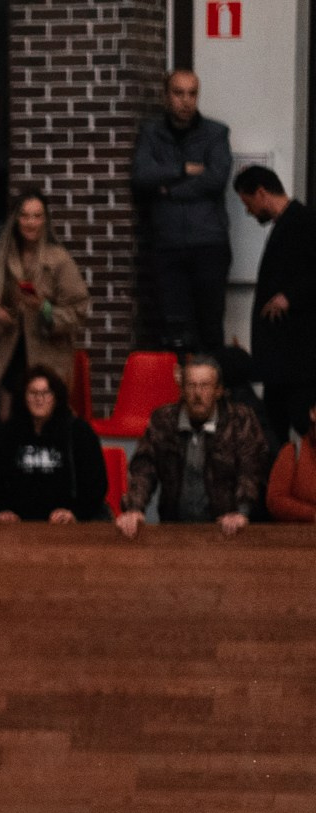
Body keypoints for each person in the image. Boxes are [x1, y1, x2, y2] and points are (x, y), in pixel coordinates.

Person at [0, 191, 90, 436]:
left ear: (46, 220)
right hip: (7, 347)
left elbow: (78, 309)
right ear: (15, 219)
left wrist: (44, 308)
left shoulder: (58, 259)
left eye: (37, 216)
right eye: (25, 216)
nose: (31, 223)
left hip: (46, 351)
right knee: (1, 418)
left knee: (44, 419)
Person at [131, 70, 232, 352]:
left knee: (210, 327)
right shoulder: (152, 132)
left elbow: (216, 179)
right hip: (168, 244)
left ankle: (212, 392)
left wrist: (170, 190)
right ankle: (180, 395)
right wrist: (183, 169)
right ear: (166, 96)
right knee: (174, 329)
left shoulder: (216, 133)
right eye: (178, 93)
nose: (186, 101)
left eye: (192, 93)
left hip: (209, 242)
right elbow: (141, 176)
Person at [115, 356, 267, 539]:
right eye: (191, 385)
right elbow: (144, 467)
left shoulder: (239, 420)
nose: (197, 394)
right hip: (174, 529)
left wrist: (241, 511)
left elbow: (251, 469)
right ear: (182, 389)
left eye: (204, 386)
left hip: (227, 528)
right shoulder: (164, 420)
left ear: (218, 390)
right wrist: (134, 508)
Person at [234, 166, 316, 445]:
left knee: (301, 423)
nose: (249, 212)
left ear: (261, 193)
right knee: (274, 427)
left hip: (297, 359)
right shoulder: (289, 223)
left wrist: (291, 296)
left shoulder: (303, 221)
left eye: (248, 204)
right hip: (282, 361)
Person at [0, 366, 107, 523]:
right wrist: (1, 511)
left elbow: (95, 484)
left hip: (67, 526)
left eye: (46, 393)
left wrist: (75, 513)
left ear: (56, 397)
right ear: (23, 396)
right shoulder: (7, 434)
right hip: (16, 527)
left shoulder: (78, 432)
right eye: (33, 393)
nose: (39, 399)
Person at [266, 404, 316, 522]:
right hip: (297, 536)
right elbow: (275, 500)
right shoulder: (292, 451)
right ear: (313, 414)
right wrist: (312, 514)